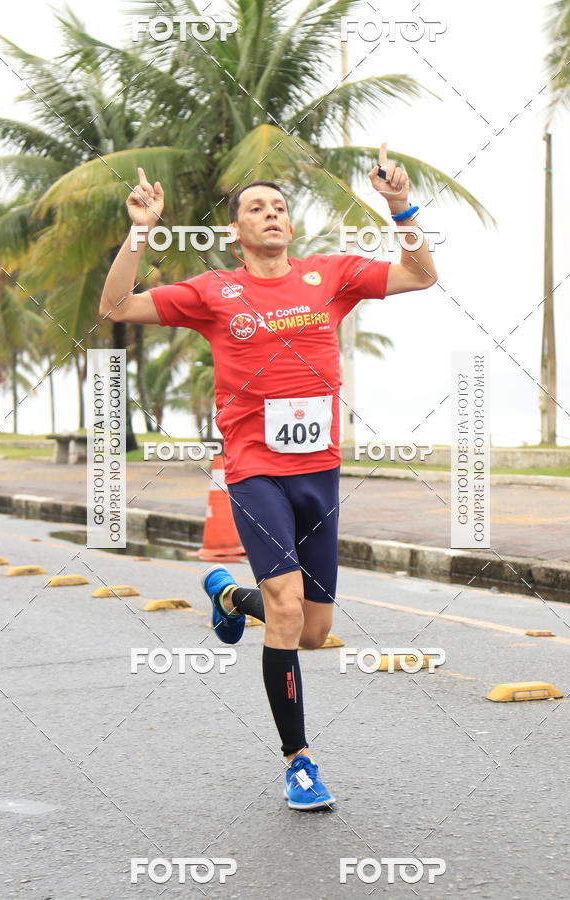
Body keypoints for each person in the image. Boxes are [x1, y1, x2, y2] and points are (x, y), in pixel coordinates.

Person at [99, 142, 437, 811]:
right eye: (257, 207)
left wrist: (400, 204)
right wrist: (141, 229)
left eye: (280, 206)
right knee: (284, 609)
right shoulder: (213, 292)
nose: (272, 214)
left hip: (321, 474)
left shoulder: (331, 276)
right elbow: (117, 307)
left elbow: (421, 274)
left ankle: (229, 598)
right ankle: (299, 761)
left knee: (311, 633)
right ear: (236, 230)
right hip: (255, 473)